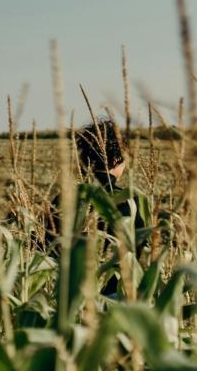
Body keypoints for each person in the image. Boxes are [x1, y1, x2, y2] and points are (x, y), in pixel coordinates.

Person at [44, 118, 145, 295]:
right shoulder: (129, 201)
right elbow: (138, 249)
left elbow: (49, 244)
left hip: (71, 297)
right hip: (114, 294)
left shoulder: (64, 198)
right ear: (116, 159)